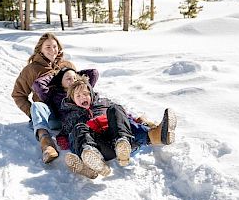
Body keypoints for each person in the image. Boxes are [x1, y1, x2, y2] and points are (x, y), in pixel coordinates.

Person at [60, 76, 177, 179]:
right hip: (100, 146)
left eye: (85, 94)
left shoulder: (103, 103)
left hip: (119, 138)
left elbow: (123, 117)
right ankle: (92, 161)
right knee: (79, 128)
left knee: (116, 108)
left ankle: (154, 136)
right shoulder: (71, 115)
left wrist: (140, 122)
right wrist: (63, 141)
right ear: (73, 99)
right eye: (78, 95)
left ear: (91, 94)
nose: (82, 98)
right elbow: (65, 135)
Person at [12, 32, 76, 163]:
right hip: (49, 117)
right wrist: (33, 113)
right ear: (40, 49)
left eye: (55, 46)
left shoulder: (67, 66)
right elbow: (18, 94)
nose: (52, 50)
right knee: (37, 106)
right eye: (48, 47)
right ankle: (47, 144)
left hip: (68, 113)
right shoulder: (31, 70)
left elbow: (79, 86)